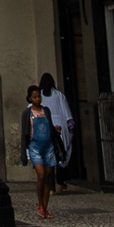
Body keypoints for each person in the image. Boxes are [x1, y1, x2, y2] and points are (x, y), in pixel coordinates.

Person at [22, 84, 58, 219]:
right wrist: (23, 153)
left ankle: (45, 208)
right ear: (30, 98)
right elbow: (24, 133)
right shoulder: (27, 113)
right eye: (35, 97)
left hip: (48, 146)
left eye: (39, 96)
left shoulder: (46, 111)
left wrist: (56, 130)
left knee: (48, 176)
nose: (37, 99)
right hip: (35, 146)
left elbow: (50, 127)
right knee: (41, 175)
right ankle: (40, 205)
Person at [39, 72, 75, 190]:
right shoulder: (59, 95)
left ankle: (50, 186)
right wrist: (70, 130)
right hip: (60, 125)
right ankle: (60, 181)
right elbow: (68, 115)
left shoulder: (38, 96)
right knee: (61, 152)